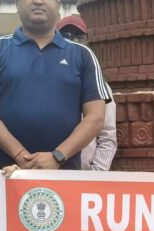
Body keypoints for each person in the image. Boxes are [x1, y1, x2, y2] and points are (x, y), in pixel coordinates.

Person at [0, 0, 110, 173]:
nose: (38, 1)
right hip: (11, 173)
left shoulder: (83, 55)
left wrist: (57, 156)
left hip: (65, 173)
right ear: (17, 4)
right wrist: (20, 154)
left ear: (58, 5)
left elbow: (96, 118)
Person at [57, 15, 117, 171]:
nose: (74, 41)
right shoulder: (45, 81)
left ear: (87, 41)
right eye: (66, 35)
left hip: (84, 175)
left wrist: (95, 174)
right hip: (47, 171)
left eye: (80, 36)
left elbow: (107, 138)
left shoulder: (100, 86)